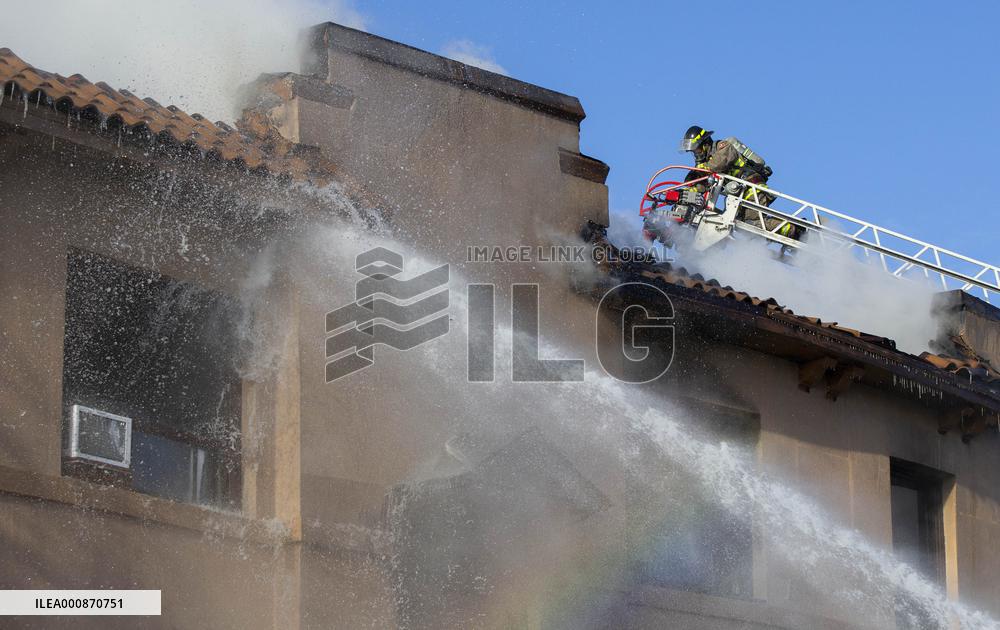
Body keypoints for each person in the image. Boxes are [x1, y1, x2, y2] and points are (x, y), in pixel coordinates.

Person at [678, 125, 799, 239]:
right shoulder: (707, 163)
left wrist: (699, 171)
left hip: (752, 189)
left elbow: (718, 164)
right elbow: (702, 184)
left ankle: (796, 231)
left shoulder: (723, 147)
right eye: (693, 152)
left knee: (753, 225)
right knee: (741, 228)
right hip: (737, 195)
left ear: (705, 143)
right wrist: (687, 191)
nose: (696, 154)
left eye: (697, 150)